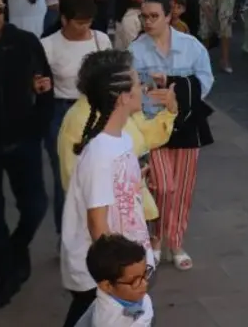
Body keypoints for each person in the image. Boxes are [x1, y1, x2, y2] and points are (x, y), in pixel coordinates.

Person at [60, 50, 155, 327]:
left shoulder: (121, 139)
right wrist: (118, 276)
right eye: (137, 82)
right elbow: (97, 224)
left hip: (121, 268)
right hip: (104, 274)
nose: (143, 87)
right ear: (123, 96)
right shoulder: (100, 153)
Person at [0, 0, 52, 311]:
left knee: (35, 206)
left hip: (23, 141)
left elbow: (46, 86)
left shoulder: (24, 42)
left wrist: (38, 128)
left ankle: (16, 248)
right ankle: (7, 276)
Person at [129, 0, 214, 273]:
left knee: (183, 188)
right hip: (152, 125)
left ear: (169, 16)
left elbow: (205, 80)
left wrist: (176, 93)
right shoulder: (135, 50)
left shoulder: (191, 45)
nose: (148, 21)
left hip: (186, 123)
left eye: (154, 16)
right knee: (162, 186)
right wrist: (148, 92)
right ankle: (155, 238)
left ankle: (176, 242)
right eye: (144, 17)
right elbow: (129, 87)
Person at [41, 0, 114, 237]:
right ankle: (67, 238)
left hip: (97, 110)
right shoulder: (48, 45)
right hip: (62, 112)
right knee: (66, 178)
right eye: (79, 22)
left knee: (100, 174)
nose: (85, 27)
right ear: (64, 19)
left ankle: (99, 234)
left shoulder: (101, 40)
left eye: (88, 22)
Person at [73, 234, 154, 327]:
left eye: (145, 273)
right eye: (134, 281)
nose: (144, 283)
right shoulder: (110, 322)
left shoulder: (127, 296)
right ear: (107, 286)